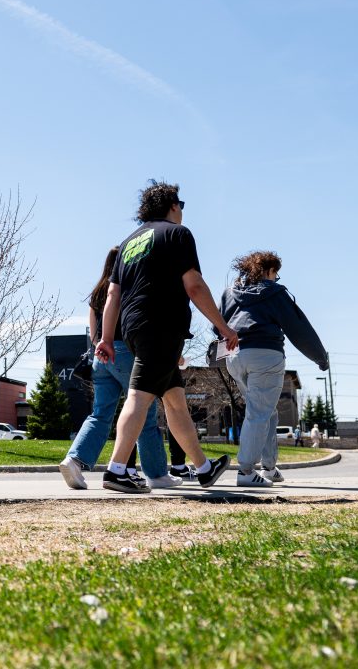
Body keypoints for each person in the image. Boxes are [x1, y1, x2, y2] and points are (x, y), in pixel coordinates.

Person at [96, 181, 238, 493]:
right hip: (160, 325)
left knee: (175, 400)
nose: (182, 212)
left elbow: (112, 296)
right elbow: (195, 286)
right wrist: (224, 328)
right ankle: (116, 470)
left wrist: (106, 338)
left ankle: (202, 467)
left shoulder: (129, 242)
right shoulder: (177, 234)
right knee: (139, 397)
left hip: (134, 327)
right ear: (173, 205)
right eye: (181, 205)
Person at [59, 248, 179, 490]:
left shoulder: (97, 293)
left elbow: (94, 334)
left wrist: (102, 349)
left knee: (100, 414)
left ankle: (73, 459)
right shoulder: (131, 287)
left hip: (101, 356)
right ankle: (156, 474)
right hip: (126, 352)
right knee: (144, 409)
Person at [218, 251, 329, 487]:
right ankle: (246, 471)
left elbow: (216, 325)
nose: (276, 279)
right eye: (275, 274)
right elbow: (298, 328)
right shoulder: (275, 293)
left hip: (235, 357)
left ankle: (269, 467)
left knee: (267, 411)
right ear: (268, 271)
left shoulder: (230, 293)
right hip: (265, 355)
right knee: (259, 412)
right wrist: (320, 357)